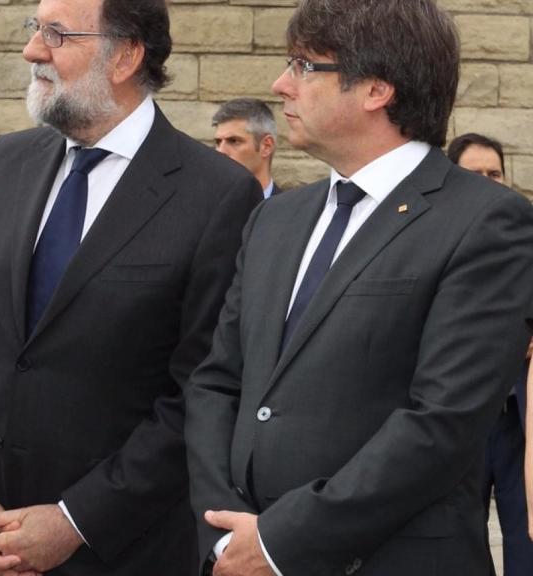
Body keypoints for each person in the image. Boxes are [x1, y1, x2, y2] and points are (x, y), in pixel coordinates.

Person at [184, 1, 533, 575]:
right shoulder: (275, 220)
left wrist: (279, 542)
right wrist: (224, 532)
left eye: (303, 65)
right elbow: (217, 380)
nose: (280, 84)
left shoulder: (485, 222)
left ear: (376, 89)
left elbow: (441, 422)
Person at [0, 0, 261, 573]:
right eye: (35, 29)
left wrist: (74, 520)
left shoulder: (217, 195)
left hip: (123, 550)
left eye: (56, 34)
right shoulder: (3, 161)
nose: (33, 50)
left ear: (126, 55)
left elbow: (199, 394)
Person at [449, 132, 532, 575]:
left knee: (526, 543)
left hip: (520, 422)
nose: (487, 182)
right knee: (456, 543)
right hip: (456, 423)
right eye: (474, 174)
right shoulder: (430, 244)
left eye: (494, 173)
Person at [212, 98, 281, 198]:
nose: (220, 151)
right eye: (218, 142)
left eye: (233, 141)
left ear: (266, 146)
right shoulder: (205, 208)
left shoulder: (292, 211)